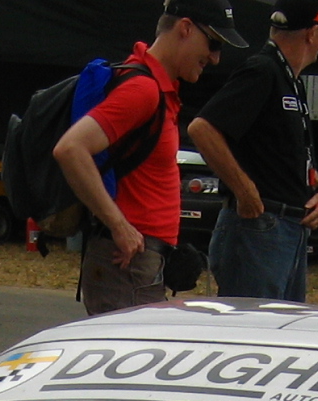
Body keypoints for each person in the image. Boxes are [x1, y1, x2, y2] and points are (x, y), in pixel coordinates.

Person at [52, 1, 245, 316]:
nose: (215, 57)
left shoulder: (158, 88)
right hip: (127, 264)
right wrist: (118, 225)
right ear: (185, 28)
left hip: (138, 263)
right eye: (213, 43)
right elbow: (71, 149)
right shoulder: (143, 90)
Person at [189, 5, 318, 303]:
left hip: (286, 228)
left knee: (281, 330)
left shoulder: (291, 80)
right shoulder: (262, 69)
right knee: (255, 328)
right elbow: (202, 129)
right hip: (260, 226)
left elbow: (290, 153)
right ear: (312, 33)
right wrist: (245, 191)